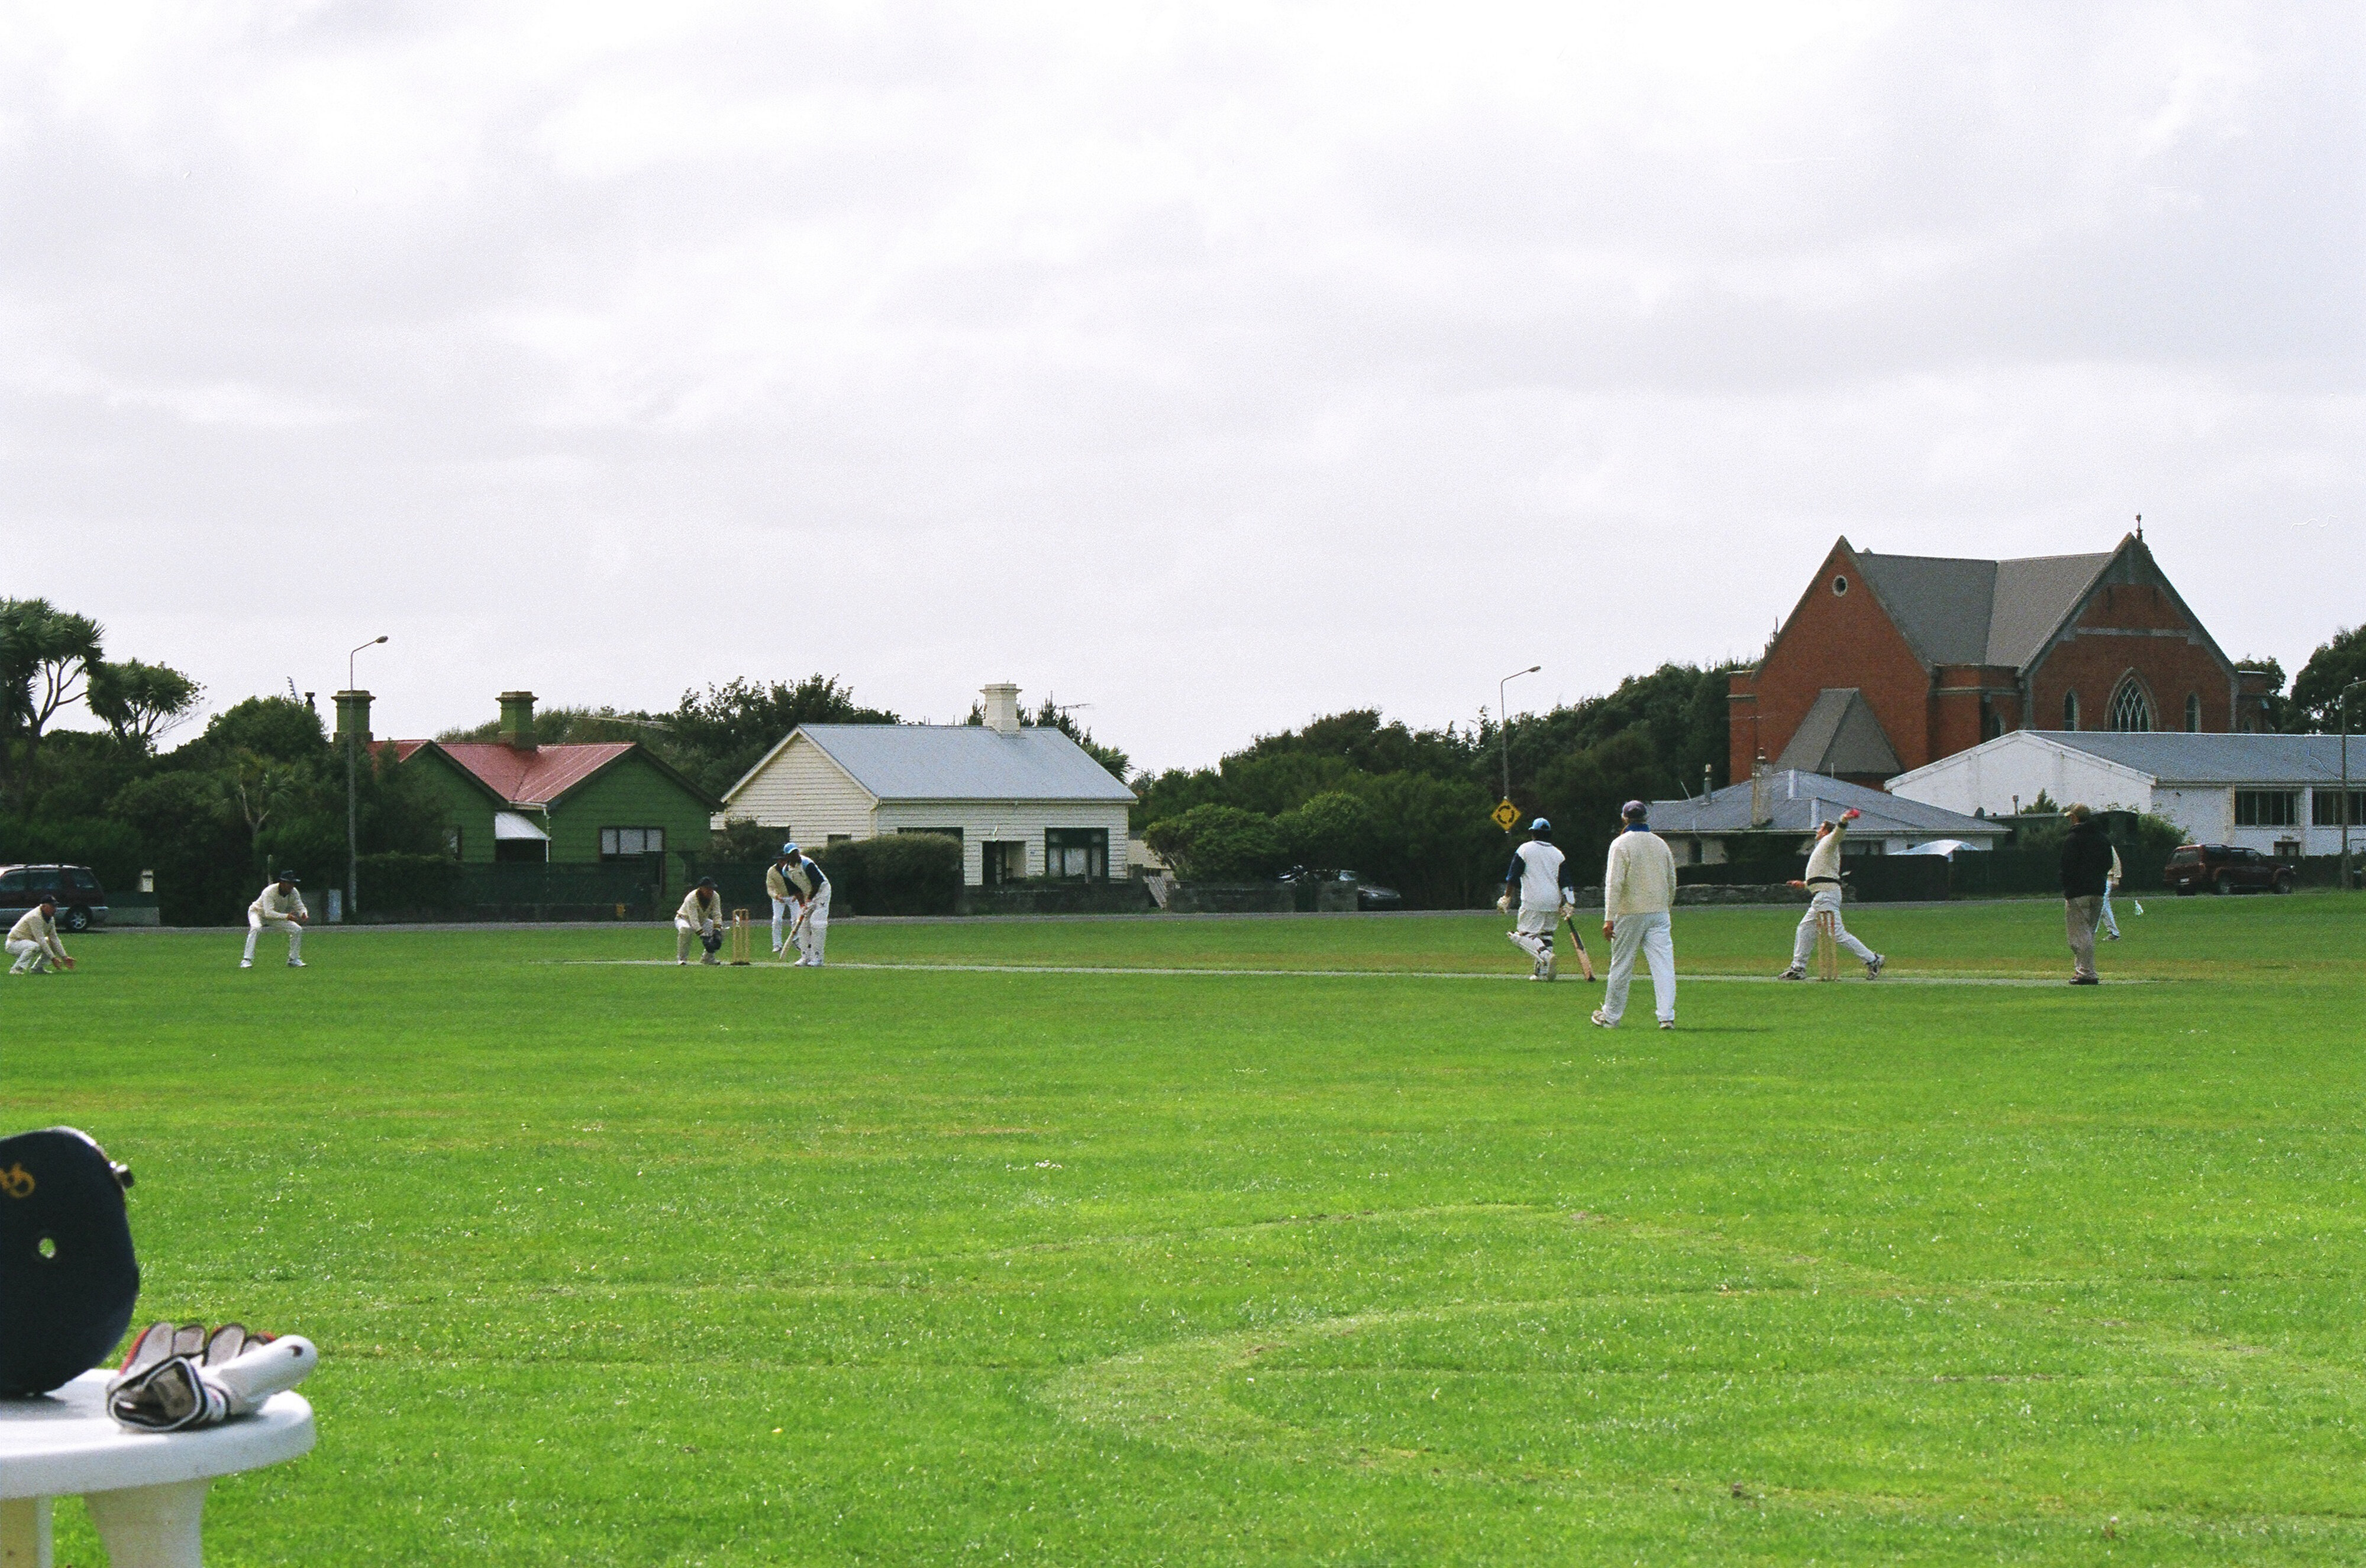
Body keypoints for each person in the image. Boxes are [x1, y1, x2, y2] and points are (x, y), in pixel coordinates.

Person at [1593, 800, 1678, 1030]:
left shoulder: (1620, 844)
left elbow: (1614, 884)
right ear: (1646, 818)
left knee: (1621, 965)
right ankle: (1666, 1017)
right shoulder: (1661, 844)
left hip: (1629, 913)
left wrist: (1609, 918)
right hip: (1659, 912)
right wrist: (1665, 907)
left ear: (1625, 818)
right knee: (1664, 966)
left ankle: (1610, 1017)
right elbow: (1672, 881)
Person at [1777, 807, 1886, 980]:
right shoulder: (1823, 848)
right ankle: (1798, 968)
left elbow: (1839, 834)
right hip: (1822, 895)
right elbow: (1823, 875)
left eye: (1821, 828)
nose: (1818, 831)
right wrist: (1805, 884)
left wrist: (1844, 820)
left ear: (1826, 831)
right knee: (1805, 928)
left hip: (1827, 895)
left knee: (1838, 934)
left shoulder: (1829, 840)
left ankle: (1873, 960)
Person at [1497, 817, 1577, 981]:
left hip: (1533, 901)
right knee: (1546, 936)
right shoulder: (1558, 854)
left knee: (1523, 935)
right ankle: (1542, 973)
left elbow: (1513, 877)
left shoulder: (1525, 849)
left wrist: (1507, 897)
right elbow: (1566, 882)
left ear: (1533, 833)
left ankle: (1546, 956)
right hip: (1553, 902)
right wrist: (1570, 903)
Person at [2060, 802, 2113, 985]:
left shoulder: (2073, 839)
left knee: (2079, 935)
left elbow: (2067, 867)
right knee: (2088, 932)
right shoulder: (2103, 839)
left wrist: (2068, 888)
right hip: (2098, 890)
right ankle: (2081, 970)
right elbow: (2108, 863)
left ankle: (2086, 973)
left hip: (2078, 892)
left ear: (2075, 818)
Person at [777, 842, 831, 967]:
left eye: (797, 852)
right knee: (802, 926)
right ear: (787, 857)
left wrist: (810, 900)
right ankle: (805, 957)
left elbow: (817, 883)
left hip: (822, 892)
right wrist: (802, 904)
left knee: (817, 923)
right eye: (792, 854)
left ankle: (817, 958)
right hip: (808, 895)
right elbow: (795, 890)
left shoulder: (807, 864)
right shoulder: (786, 872)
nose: (797, 855)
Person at [241, 872, 307, 969]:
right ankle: (246, 960)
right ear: (282, 883)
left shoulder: (293, 892)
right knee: (256, 928)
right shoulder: (269, 891)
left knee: (297, 929)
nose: (291, 886)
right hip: (258, 913)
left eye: (293, 883)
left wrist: (303, 913)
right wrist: (286, 916)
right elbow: (268, 913)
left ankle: (294, 959)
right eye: (289, 883)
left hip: (276, 916)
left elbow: (299, 905)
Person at [7, 894, 75, 975]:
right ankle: (16, 969)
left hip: (29, 942)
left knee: (51, 943)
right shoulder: (35, 917)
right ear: (44, 907)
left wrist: (64, 957)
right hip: (14, 943)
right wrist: (53, 958)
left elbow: (54, 938)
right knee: (34, 946)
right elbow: (40, 939)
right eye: (52, 907)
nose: (54, 909)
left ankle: (38, 968)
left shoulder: (50, 919)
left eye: (55, 907)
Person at [676, 878, 725, 966]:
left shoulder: (715, 896)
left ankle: (708, 958)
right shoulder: (691, 898)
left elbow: (717, 914)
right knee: (686, 929)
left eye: (712, 889)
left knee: (722, 931)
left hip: (702, 920)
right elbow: (693, 919)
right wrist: (704, 937)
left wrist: (717, 931)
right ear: (701, 888)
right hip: (684, 919)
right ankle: (682, 959)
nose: (710, 891)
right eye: (708, 889)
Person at [764, 846, 799, 956]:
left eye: (784, 860)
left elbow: (800, 882)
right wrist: (776, 896)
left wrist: (798, 894)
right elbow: (770, 887)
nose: (782, 863)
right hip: (779, 897)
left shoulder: (794, 868)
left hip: (793, 897)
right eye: (780, 861)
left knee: (796, 920)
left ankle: (796, 940)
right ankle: (777, 945)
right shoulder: (772, 871)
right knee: (777, 920)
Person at [2099, 841, 2123, 940]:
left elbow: (2116, 861)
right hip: (2096, 879)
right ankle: (2114, 932)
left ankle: (2090, 932)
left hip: (2107, 879)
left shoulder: (2105, 844)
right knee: (2104, 907)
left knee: (2100, 905)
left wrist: (2117, 878)